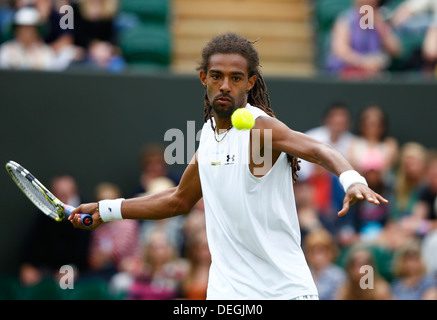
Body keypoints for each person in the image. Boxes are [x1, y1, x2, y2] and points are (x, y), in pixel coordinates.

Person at [70, 32, 388, 300]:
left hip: (283, 292)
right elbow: (178, 199)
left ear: (250, 83)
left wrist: (351, 178)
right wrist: (108, 210)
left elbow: (316, 148)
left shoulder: (260, 128)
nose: (225, 85)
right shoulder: (208, 135)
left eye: (235, 78)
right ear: (203, 79)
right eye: (217, 76)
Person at [325, 0, 401, 78]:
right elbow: (341, 52)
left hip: (373, 77)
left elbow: (395, 51)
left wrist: (379, 24)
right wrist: (365, 63)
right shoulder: (345, 20)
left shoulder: (379, 20)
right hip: (346, 75)